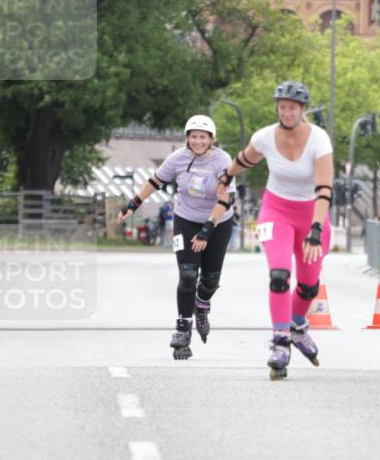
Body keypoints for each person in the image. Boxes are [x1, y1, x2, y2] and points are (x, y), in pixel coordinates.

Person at [217, 80, 333, 379]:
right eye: (282, 107)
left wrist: (316, 229)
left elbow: (324, 189)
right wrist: (225, 176)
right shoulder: (266, 136)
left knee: (309, 285)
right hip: (276, 211)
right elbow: (245, 159)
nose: (287, 113)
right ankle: (281, 341)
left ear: (302, 109)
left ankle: (297, 324)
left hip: (312, 213)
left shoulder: (319, 140)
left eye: (292, 108)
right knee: (279, 276)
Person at [117, 115, 236, 360]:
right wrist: (133, 204)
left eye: (203, 137)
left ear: (212, 139)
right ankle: (183, 329)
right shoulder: (177, 158)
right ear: (187, 138)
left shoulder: (222, 160)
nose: (198, 141)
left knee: (210, 280)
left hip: (219, 221)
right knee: (188, 274)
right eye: (193, 136)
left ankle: (202, 305)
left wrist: (207, 230)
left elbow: (227, 198)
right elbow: (155, 181)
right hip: (186, 219)